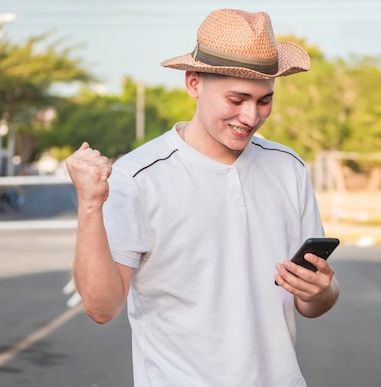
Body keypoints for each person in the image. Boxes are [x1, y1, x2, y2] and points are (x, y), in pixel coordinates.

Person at [66, 8, 339, 387]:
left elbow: (311, 303)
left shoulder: (288, 166)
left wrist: (322, 289)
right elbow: (101, 307)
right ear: (194, 82)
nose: (251, 116)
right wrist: (90, 204)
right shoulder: (138, 176)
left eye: (264, 101)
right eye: (238, 98)